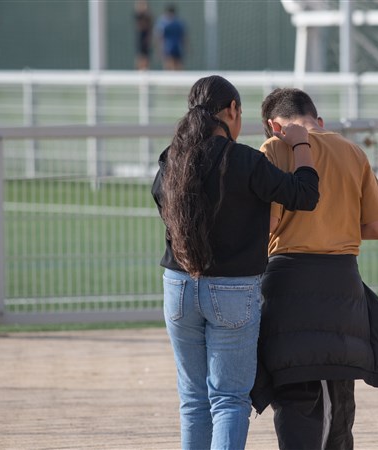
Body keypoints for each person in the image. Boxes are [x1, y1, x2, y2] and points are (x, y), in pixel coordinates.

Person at [252, 88, 378, 450]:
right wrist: (335, 227)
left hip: (290, 285)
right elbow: (377, 227)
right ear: (318, 121)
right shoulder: (352, 151)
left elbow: (269, 225)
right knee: (338, 402)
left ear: (273, 125)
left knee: (297, 397)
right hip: (345, 285)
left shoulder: (274, 149)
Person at [150, 76, 320, 450]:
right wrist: (301, 145)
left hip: (177, 286)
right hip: (232, 290)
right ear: (232, 111)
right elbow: (305, 195)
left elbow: (161, 201)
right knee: (228, 400)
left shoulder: (172, 156)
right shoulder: (243, 160)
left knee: (194, 400)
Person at [156, 4, 186, 70]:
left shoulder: (177, 23)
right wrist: (160, 49)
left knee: (177, 66)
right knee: (169, 65)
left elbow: (183, 36)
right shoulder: (164, 23)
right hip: (168, 48)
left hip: (176, 47)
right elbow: (160, 37)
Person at [133, 1, 153, 70]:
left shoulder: (148, 16)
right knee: (140, 56)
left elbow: (149, 25)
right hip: (141, 39)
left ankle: (145, 69)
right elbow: (140, 25)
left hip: (146, 39)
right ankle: (140, 69)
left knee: (146, 56)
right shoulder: (139, 16)